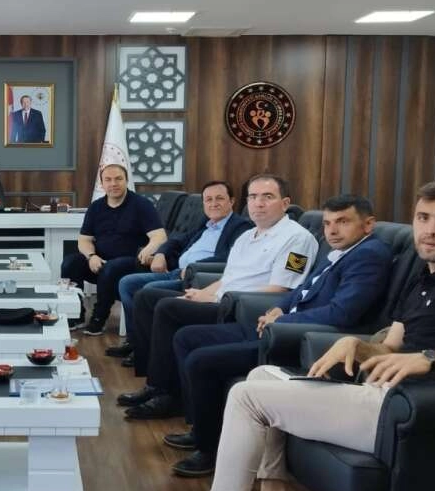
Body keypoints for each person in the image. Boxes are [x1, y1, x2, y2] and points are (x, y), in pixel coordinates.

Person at [148, 180, 435, 491]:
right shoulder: (424, 279)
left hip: (413, 410)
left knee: (246, 396)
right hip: (385, 392)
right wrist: (357, 346)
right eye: (423, 218)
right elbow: (391, 347)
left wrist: (430, 358)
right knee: (261, 376)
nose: (430, 229)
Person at [158, 195, 390, 478]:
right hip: (268, 319)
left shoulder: (350, 251)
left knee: (201, 359)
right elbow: (302, 290)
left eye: (342, 222)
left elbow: (337, 309)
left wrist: (282, 319)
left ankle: (209, 450)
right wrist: (277, 309)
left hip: (293, 337)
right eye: (328, 223)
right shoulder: (254, 238)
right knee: (187, 337)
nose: (332, 230)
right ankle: (198, 426)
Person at [123, 174, 318, 418]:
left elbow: (281, 289)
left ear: (285, 203)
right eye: (253, 197)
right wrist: (202, 293)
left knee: (167, 308)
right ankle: (155, 384)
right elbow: (228, 278)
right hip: (223, 300)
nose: (258, 203)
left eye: (267, 197)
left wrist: (221, 297)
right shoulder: (247, 236)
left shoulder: (298, 239)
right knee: (148, 298)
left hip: (247, 310)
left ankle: (163, 392)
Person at [106, 180, 252, 365]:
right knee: (127, 283)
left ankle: (145, 351)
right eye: (208, 199)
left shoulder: (240, 227)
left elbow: (228, 258)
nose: (213, 203)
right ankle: (136, 342)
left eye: (219, 199)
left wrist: (192, 269)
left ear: (231, 201)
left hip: (198, 278)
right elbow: (177, 240)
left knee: (149, 290)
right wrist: (160, 254)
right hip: (176, 270)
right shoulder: (207, 223)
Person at [61, 163, 166, 335]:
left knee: (111, 268)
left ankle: (99, 318)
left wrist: (148, 250)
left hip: (131, 263)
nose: (113, 184)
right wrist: (91, 256)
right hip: (99, 262)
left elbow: (160, 236)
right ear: (102, 184)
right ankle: (75, 315)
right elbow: (84, 240)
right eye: (108, 180)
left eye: (118, 179)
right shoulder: (96, 207)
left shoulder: (141, 205)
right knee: (70, 263)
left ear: (126, 180)